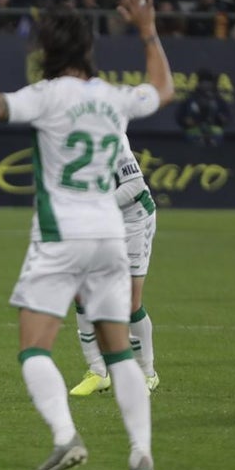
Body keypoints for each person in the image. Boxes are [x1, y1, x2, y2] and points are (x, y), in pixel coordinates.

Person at [0, 0, 175, 470]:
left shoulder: (47, 96)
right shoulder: (112, 98)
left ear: (45, 52)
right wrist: (148, 31)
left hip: (60, 236)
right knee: (119, 352)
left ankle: (65, 437)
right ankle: (142, 454)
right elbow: (162, 89)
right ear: (89, 50)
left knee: (34, 347)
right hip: (109, 236)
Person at [69, 150, 160, 397]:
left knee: (130, 303)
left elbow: (134, 184)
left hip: (133, 218)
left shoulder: (110, 131)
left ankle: (146, 374)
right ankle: (98, 372)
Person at [176, 68, 231, 147]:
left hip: (214, 133)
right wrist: (185, 120)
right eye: (203, 82)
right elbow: (180, 117)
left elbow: (227, 118)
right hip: (195, 132)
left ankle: (210, 142)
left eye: (208, 83)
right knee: (193, 137)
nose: (206, 85)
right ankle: (201, 141)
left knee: (217, 135)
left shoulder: (218, 100)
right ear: (198, 84)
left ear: (212, 84)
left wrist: (222, 118)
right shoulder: (190, 99)